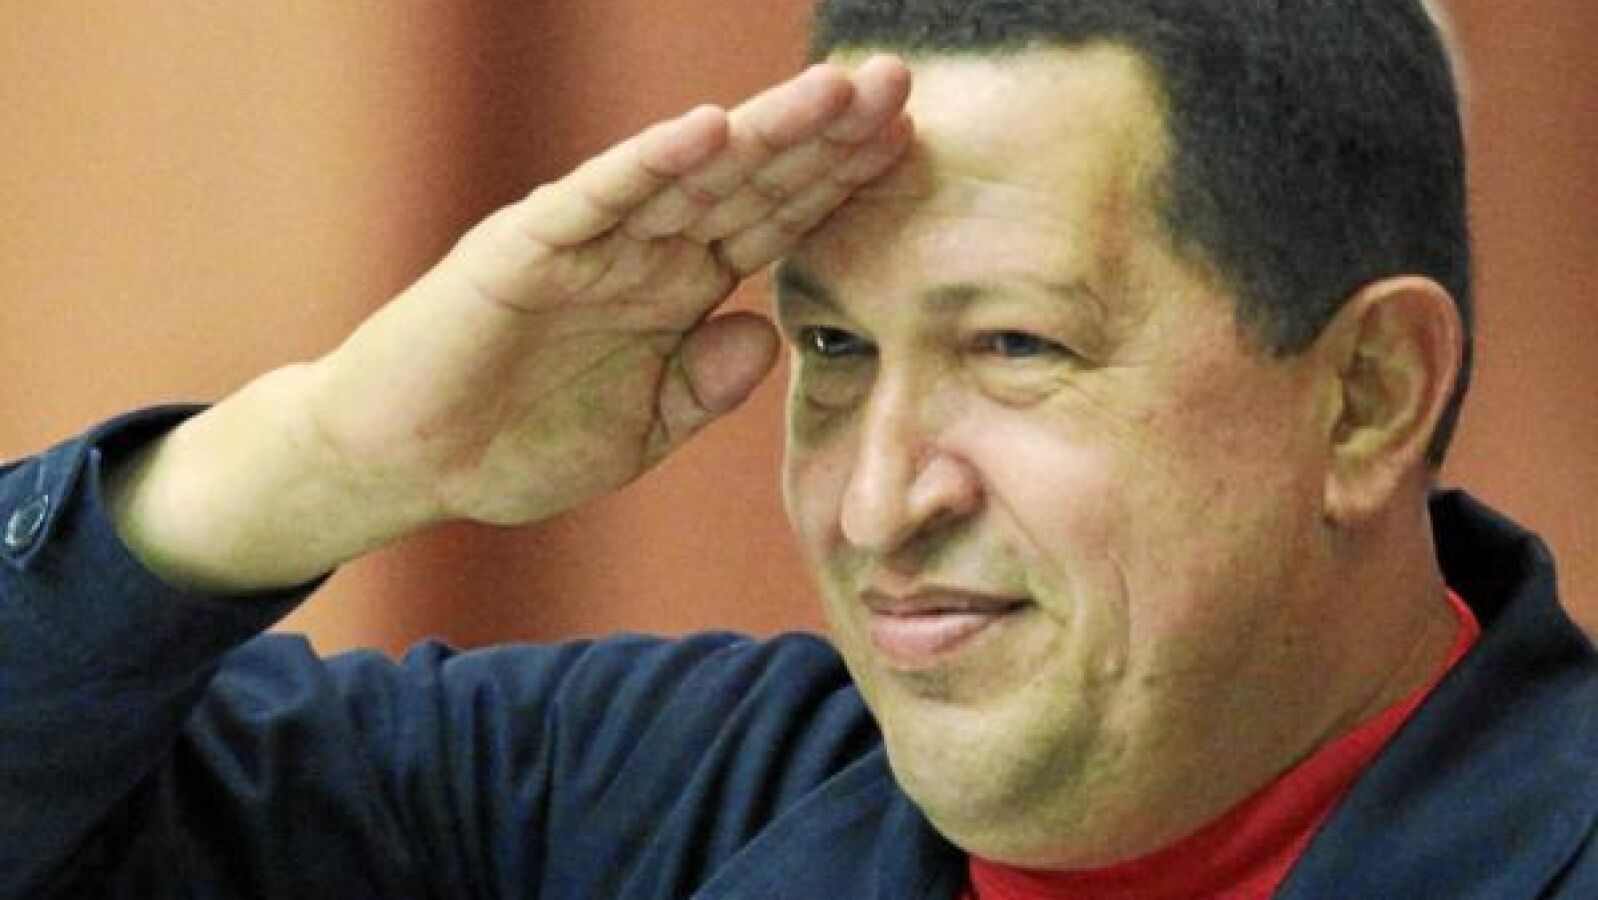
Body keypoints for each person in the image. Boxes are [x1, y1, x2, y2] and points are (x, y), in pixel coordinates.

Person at [2, 0, 1592, 896]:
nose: (878, 500)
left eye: (1013, 347)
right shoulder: (632, 803)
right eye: (834, 351)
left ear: (1366, 396)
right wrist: (323, 451)